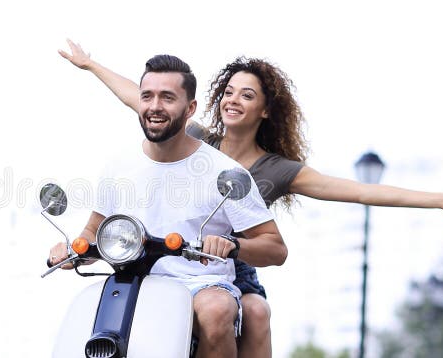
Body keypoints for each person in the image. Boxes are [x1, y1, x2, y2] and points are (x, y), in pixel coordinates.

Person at [57, 39, 443, 358]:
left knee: (251, 310)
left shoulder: (274, 169)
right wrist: (92, 66)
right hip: (161, 259)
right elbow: (146, 100)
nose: (233, 100)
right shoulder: (192, 137)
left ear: (265, 110)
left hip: (228, 262)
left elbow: (361, 190)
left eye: (247, 95)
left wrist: (441, 199)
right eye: (228, 91)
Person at [48, 54, 288, 358]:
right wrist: (72, 252)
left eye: (168, 97)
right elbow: (94, 231)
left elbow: (275, 248)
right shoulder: (118, 166)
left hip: (201, 285)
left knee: (216, 310)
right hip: (132, 282)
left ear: (190, 109)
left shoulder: (224, 173)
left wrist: (231, 245)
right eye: (147, 96)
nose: (155, 106)